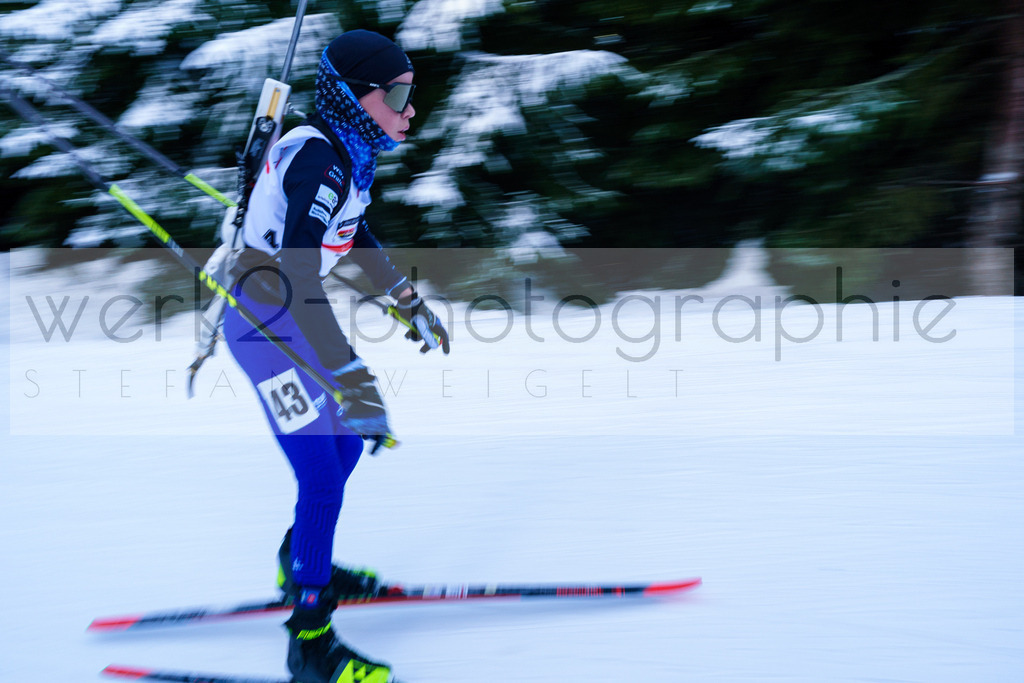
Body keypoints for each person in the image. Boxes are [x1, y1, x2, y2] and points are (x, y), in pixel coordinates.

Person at [223, 29, 449, 683]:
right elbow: (297, 275)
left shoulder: (346, 155)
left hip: (285, 320)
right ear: (355, 97)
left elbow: (353, 231)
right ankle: (311, 640)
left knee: (345, 448)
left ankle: (302, 559)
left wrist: (405, 299)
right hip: (260, 325)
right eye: (399, 94)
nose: (411, 110)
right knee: (322, 473)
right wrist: (353, 375)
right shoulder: (319, 160)